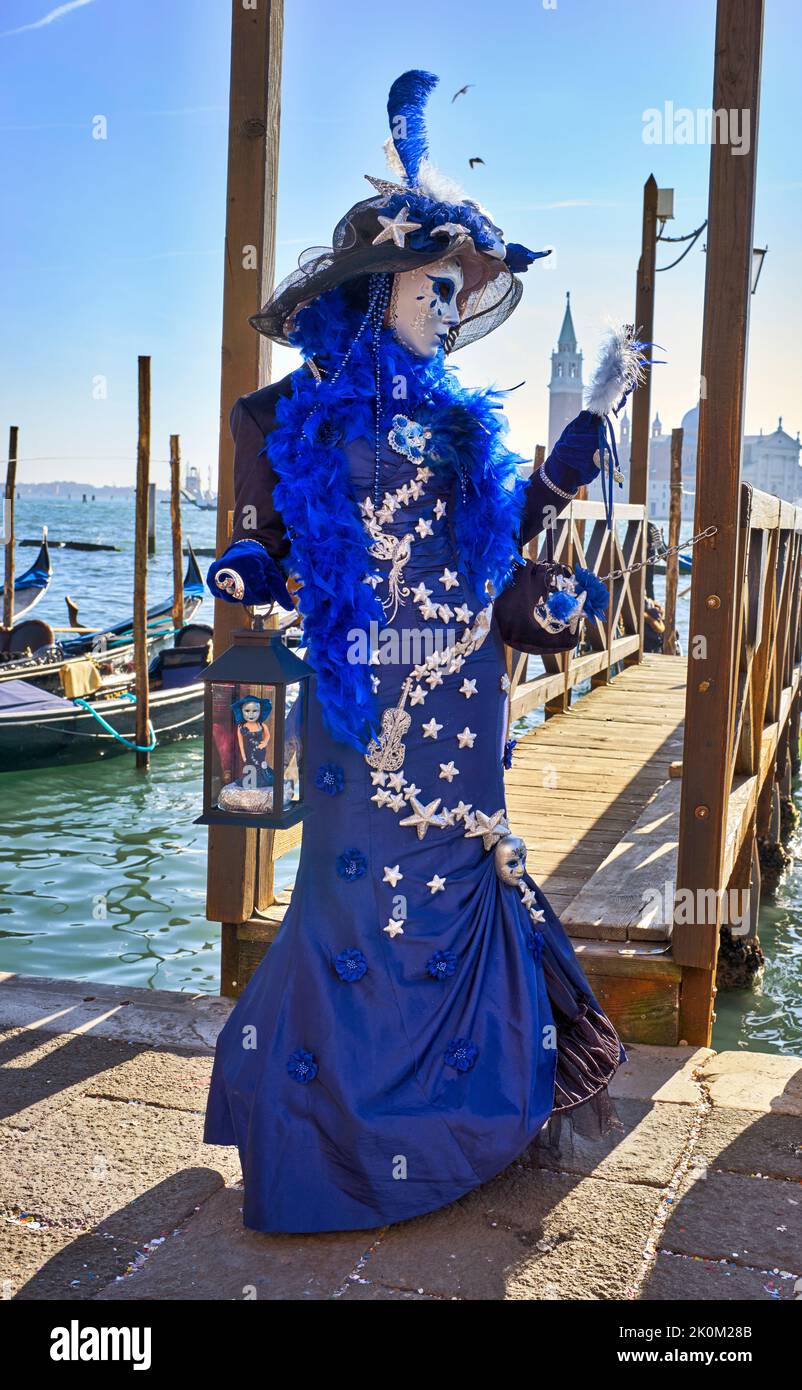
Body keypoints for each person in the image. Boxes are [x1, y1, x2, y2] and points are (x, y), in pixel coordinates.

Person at [203, 71, 632, 1235]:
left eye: (458, 291)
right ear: (380, 285)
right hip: (359, 695)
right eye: (434, 286)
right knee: (353, 906)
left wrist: (585, 432)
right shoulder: (283, 416)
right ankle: (335, 1145)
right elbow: (268, 539)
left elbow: (497, 540)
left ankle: (458, 1126)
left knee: (457, 889)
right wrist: (246, 571)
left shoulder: (454, 423)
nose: (449, 306)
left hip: (456, 693)